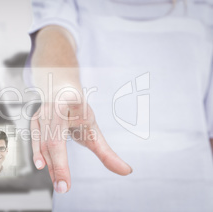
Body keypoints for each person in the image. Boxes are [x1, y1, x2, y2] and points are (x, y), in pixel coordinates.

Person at [28, 0, 213, 211]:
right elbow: (54, 33)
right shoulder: (69, 4)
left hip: (191, 197)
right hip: (90, 200)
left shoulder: (206, 10)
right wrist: (61, 90)